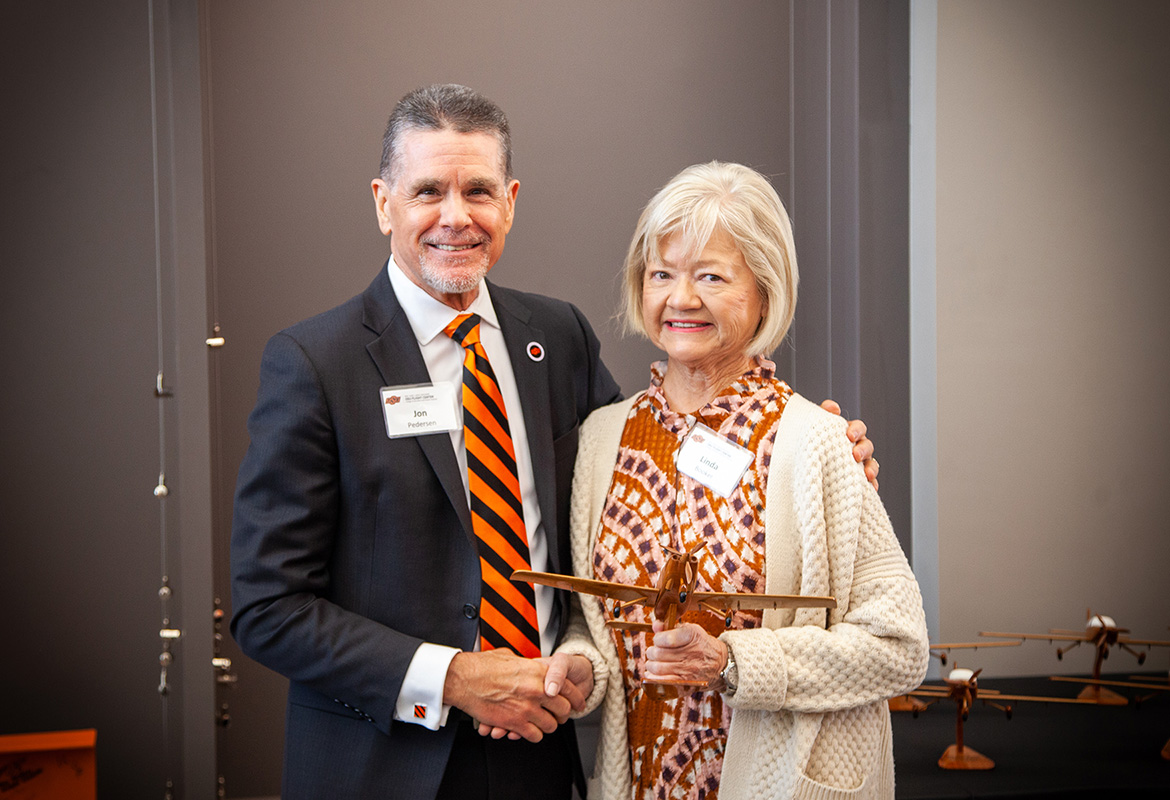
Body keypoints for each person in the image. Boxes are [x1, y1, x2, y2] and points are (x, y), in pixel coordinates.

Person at [230, 84, 879, 800]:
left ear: (509, 202)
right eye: (427, 192)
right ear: (384, 203)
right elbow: (268, 607)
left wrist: (803, 453)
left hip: (540, 755)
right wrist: (453, 677)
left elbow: (648, 478)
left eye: (478, 191)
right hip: (383, 766)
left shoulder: (556, 337)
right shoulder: (316, 363)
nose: (456, 216)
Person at [553, 162, 929, 800]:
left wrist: (735, 663)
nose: (681, 298)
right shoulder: (602, 440)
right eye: (662, 274)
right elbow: (599, 623)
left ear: (764, 290)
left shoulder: (817, 444)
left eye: (711, 277)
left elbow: (899, 645)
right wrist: (581, 669)